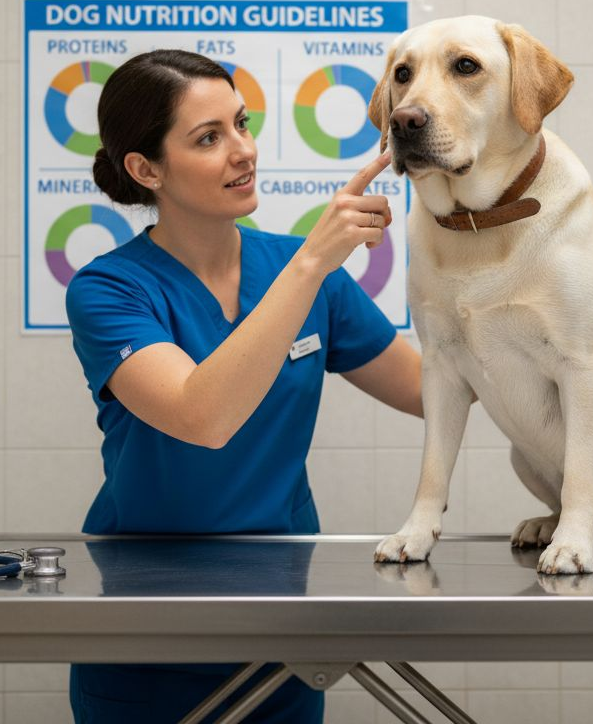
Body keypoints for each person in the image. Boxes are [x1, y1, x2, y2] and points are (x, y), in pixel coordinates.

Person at [65, 49, 423, 723]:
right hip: (144, 633)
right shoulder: (109, 289)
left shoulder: (298, 270)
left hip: (279, 629)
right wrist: (314, 260)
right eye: (209, 138)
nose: (243, 151)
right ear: (146, 170)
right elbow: (203, 415)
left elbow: (429, 392)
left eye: (242, 123)